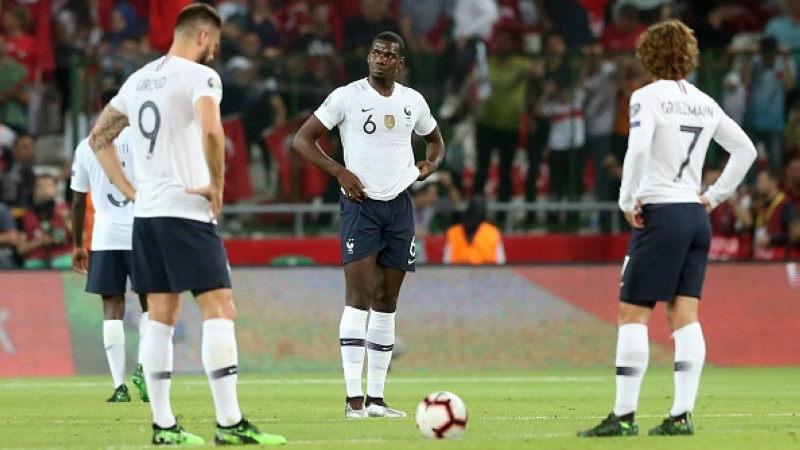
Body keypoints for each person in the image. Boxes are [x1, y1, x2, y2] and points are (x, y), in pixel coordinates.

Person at [87, 4, 286, 446]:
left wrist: (130, 188)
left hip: (148, 216)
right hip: (186, 211)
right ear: (202, 36)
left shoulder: (136, 81)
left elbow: (98, 137)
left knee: (159, 318)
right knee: (220, 308)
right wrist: (216, 185)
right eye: (214, 44)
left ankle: (163, 428)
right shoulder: (201, 78)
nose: (215, 52)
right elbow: (213, 132)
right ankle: (230, 424)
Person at [579, 20, 756, 437]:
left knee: (632, 313)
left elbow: (638, 149)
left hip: (660, 212)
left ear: (648, 55)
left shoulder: (646, 97)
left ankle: (624, 417)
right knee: (685, 315)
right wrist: (713, 197)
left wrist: (627, 200)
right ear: (689, 55)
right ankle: (681, 415)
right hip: (695, 217)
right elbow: (745, 150)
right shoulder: (704, 102)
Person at [291, 31, 444, 419]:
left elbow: (436, 142)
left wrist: (429, 165)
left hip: (400, 206)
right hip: (361, 206)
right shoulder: (347, 96)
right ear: (369, 57)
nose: (380, 58)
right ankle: (352, 399)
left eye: (389, 55)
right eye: (375, 52)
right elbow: (303, 140)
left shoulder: (413, 102)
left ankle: (376, 400)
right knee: (358, 296)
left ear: (400, 63)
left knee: (387, 302)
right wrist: (339, 171)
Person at [70, 87, 149, 403]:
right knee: (151, 305)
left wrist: (78, 243)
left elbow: (78, 201)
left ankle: (120, 387)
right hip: (142, 232)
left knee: (112, 308)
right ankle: (145, 368)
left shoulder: (87, 146)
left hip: (105, 236)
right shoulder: (144, 142)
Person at [17, 174, 72, 269]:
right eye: (40, 187)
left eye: (48, 186)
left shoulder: (67, 210)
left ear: (56, 189)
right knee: (31, 264)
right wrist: (41, 241)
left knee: (66, 262)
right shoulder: (27, 216)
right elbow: (21, 249)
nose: (44, 190)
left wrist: (66, 220)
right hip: (37, 260)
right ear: (34, 191)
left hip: (63, 257)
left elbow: (82, 238)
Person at [443, 196, 506, 265]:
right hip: (459, 273)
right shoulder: (493, 232)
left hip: (485, 273)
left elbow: (446, 262)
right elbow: (501, 263)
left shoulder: (493, 233)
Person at [752, 168, 795, 260]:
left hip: (778, 260)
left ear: (773, 182)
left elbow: (792, 235)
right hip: (760, 258)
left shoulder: (785, 204)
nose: (758, 184)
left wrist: (771, 239)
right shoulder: (760, 205)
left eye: (761, 180)